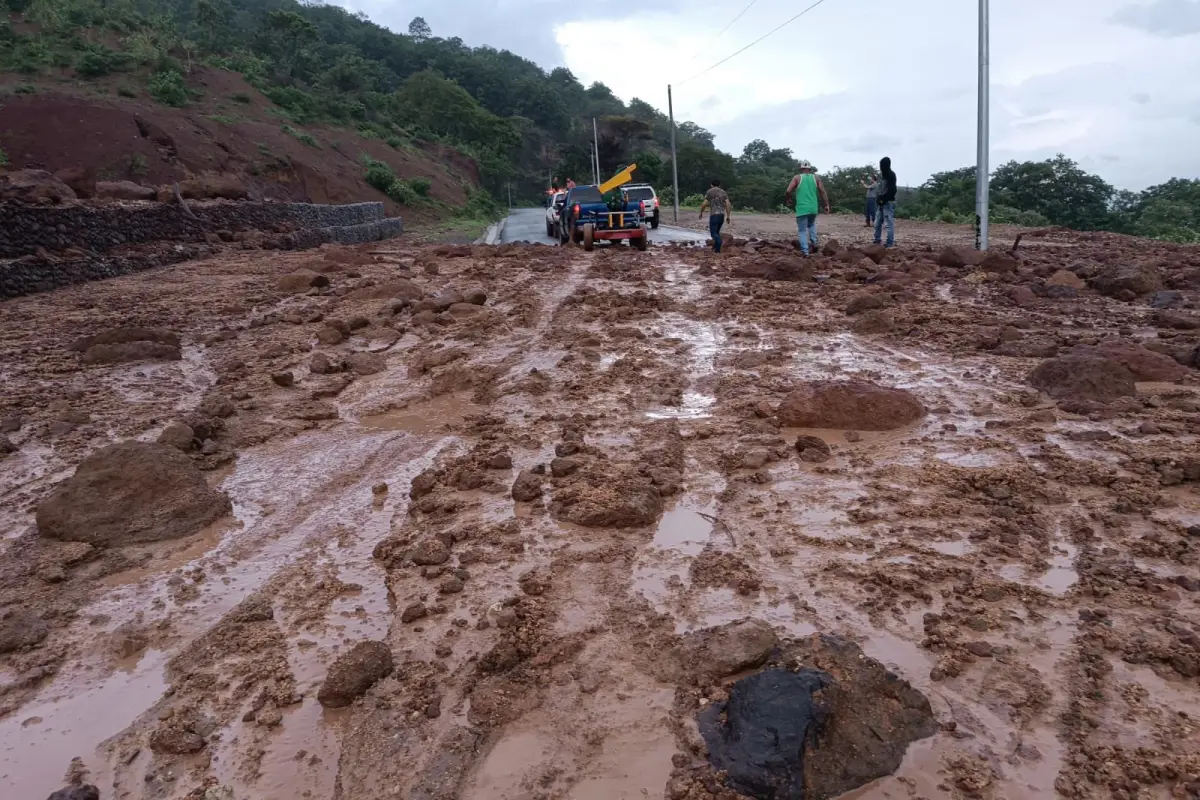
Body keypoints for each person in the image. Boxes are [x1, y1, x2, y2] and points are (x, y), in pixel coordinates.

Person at [785, 161, 830, 256]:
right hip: (813, 208)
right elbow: (823, 192)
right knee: (811, 224)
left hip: (802, 208)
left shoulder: (797, 177)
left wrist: (789, 199)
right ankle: (814, 243)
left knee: (802, 230)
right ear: (810, 169)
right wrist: (826, 205)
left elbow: (788, 190)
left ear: (801, 169)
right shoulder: (816, 178)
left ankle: (805, 252)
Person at [698, 179, 733, 253]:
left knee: (713, 234)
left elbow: (704, 204)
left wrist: (701, 212)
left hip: (714, 215)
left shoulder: (710, 191)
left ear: (711, 185)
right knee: (717, 233)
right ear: (719, 185)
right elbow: (728, 204)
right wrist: (728, 216)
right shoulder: (723, 192)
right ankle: (716, 250)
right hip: (721, 215)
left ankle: (719, 243)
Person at [874, 157, 897, 247]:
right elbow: (881, 190)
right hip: (882, 202)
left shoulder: (891, 175)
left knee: (888, 224)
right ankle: (877, 240)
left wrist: (883, 199)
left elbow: (892, 190)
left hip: (888, 202)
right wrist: (879, 199)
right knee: (877, 223)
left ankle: (889, 243)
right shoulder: (883, 175)